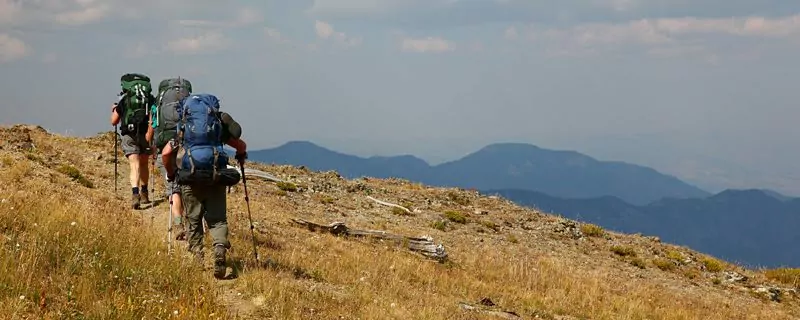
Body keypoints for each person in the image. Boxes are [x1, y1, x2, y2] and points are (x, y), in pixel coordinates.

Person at [163, 93, 246, 279]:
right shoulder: (217, 128)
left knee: (193, 219)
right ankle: (219, 247)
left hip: (190, 178)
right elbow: (240, 145)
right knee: (218, 219)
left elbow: (166, 153)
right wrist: (241, 156)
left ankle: (196, 258)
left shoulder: (183, 129)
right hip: (216, 176)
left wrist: (171, 173)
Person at [147, 78, 193, 240]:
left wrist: (152, 148)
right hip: (186, 148)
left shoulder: (156, 106)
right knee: (188, 186)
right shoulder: (188, 102)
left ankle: (178, 224)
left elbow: (151, 131)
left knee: (173, 188)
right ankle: (192, 225)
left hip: (164, 150)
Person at [111, 73, 155, 209]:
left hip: (129, 134)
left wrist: (113, 109)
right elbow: (154, 118)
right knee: (144, 164)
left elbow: (114, 121)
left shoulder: (124, 100)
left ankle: (135, 194)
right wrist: (150, 134)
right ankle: (145, 192)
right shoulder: (150, 99)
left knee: (133, 165)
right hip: (145, 134)